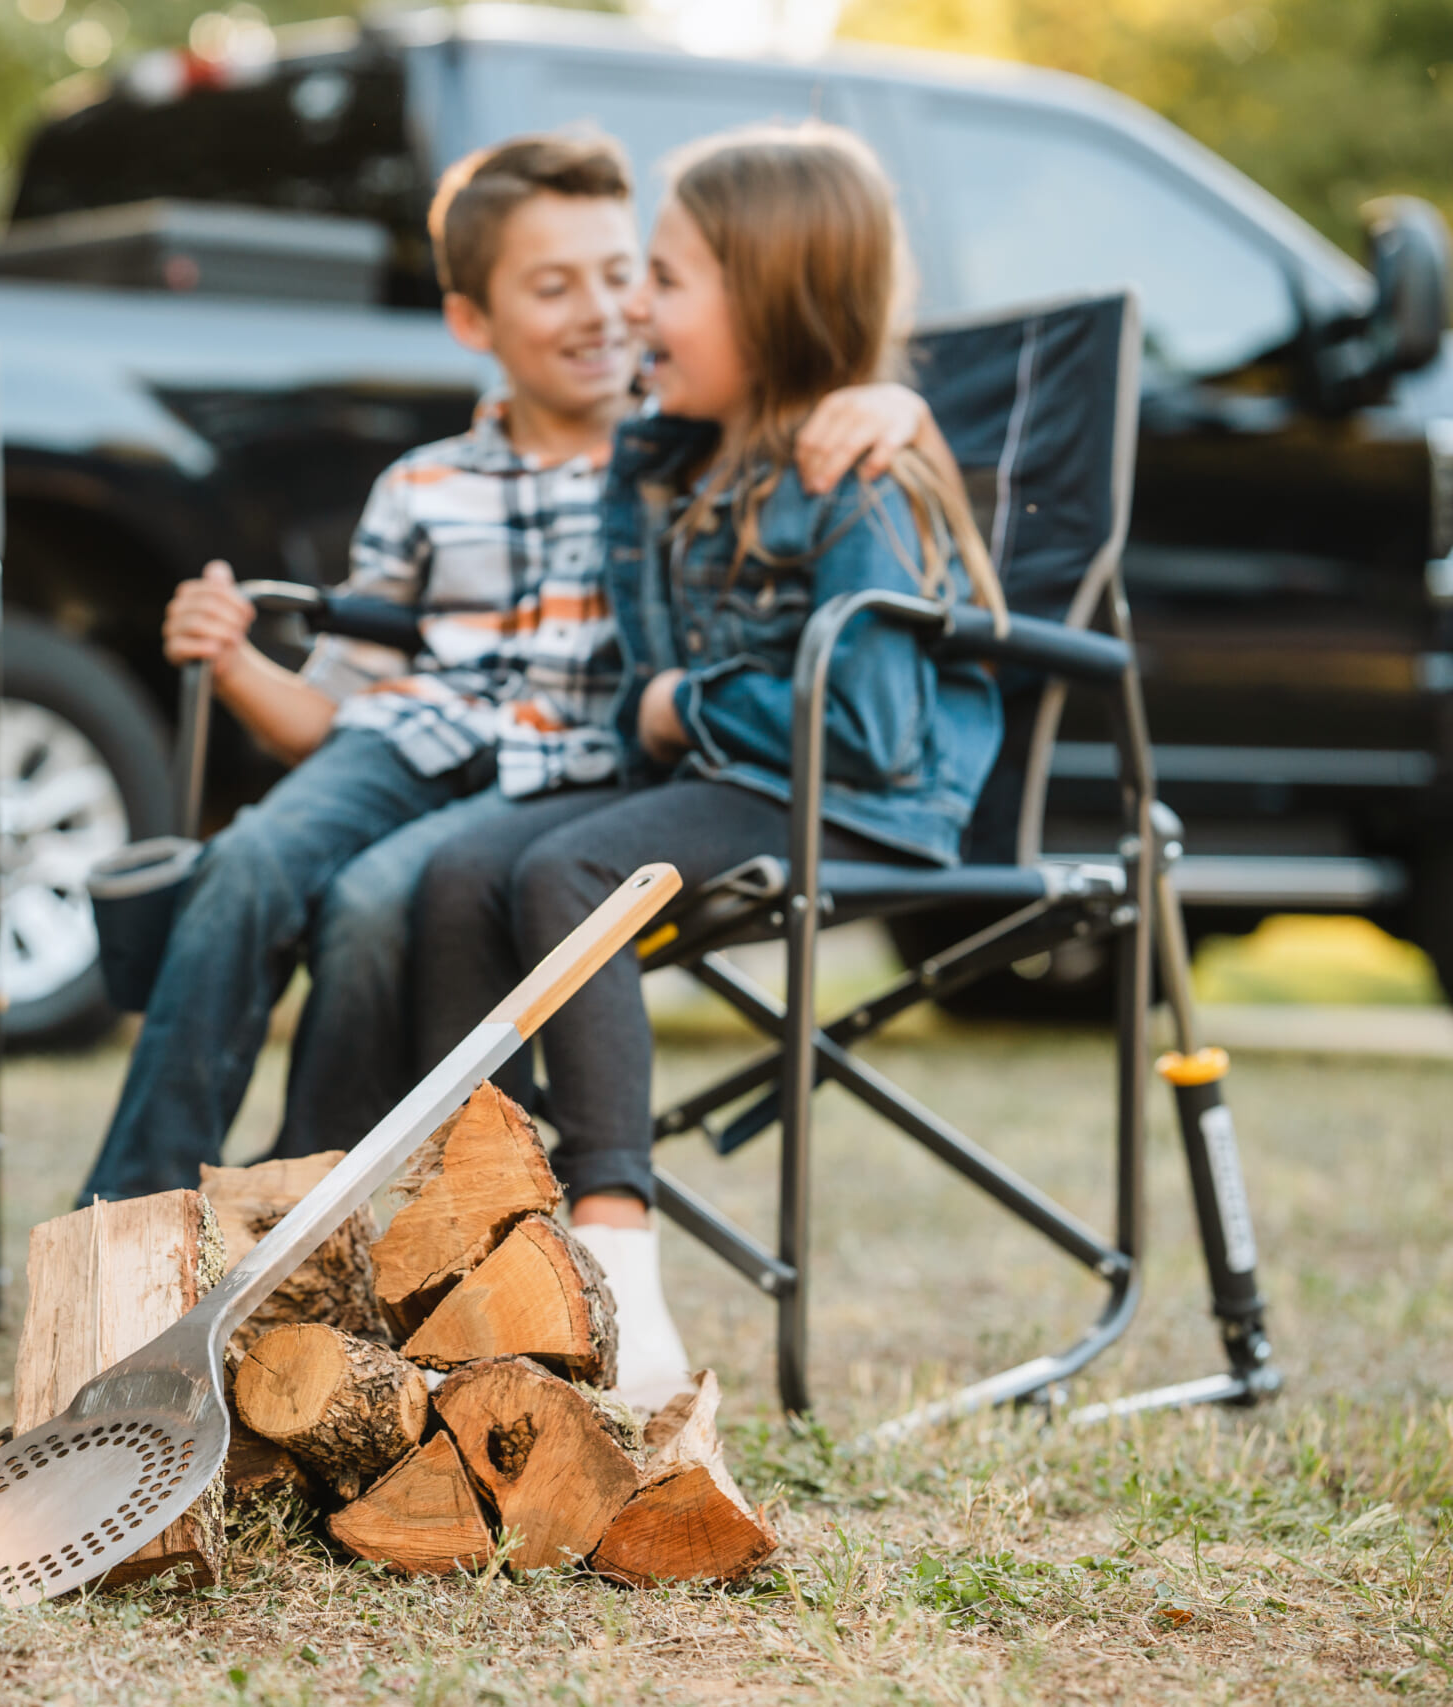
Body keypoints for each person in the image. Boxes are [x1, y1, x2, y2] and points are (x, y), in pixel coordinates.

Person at [78, 128, 942, 1205]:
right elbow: (327, 713)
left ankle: (307, 1211)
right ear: (470, 321)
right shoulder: (424, 485)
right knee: (248, 861)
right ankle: (131, 1208)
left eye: (625, 275)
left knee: (368, 903)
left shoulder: (676, 452)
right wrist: (235, 660)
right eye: (551, 286)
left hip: (568, 773)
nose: (601, 311)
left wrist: (894, 403)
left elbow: (811, 409)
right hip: (406, 740)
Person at [408, 122, 1005, 1406]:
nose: (630, 306)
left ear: (775, 305)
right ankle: (482, 1248)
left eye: (663, 280)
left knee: (572, 868)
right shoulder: (676, 459)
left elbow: (869, 729)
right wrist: (664, 712)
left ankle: (617, 1264)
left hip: (859, 805)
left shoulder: (856, 473)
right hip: (741, 783)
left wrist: (687, 702)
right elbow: (642, 700)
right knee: (463, 869)